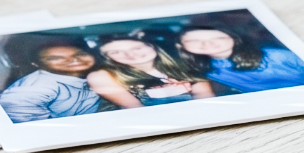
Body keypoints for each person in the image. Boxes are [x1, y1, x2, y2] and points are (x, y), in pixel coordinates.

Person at [0, 36, 112, 122]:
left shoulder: (99, 73)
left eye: (80, 53)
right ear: (36, 63)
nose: (74, 59)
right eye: (55, 58)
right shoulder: (35, 88)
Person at [177, 24, 304, 94]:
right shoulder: (200, 67)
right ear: (181, 45)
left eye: (219, 37)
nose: (207, 44)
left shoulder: (277, 55)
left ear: (234, 38)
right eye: (194, 40)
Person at [86, 34, 215, 108]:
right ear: (107, 58)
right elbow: (135, 110)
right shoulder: (101, 76)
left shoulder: (184, 65)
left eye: (137, 48)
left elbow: (206, 102)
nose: (130, 55)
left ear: (153, 47)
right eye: (115, 52)